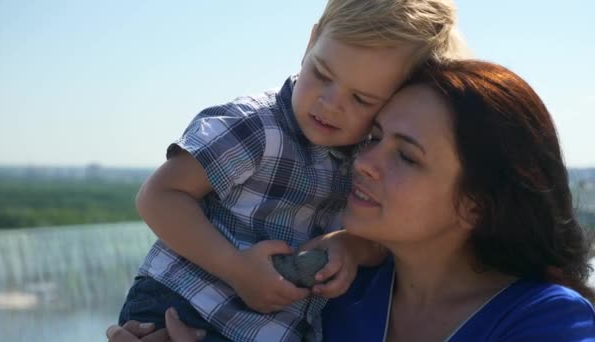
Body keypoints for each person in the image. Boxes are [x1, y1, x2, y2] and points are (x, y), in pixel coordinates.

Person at [109, 60, 595, 341]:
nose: (363, 162)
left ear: (476, 204)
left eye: (406, 155)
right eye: (374, 137)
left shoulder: (548, 321)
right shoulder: (335, 296)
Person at [118, 1, 467, 341]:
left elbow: (379, 244)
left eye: (361, 99)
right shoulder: (256, 127)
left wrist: (349, 246)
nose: (330, 104)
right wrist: (235, 268)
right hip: (186, 304)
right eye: (322, 74)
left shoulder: (372, 158)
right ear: (311, 41)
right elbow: (159, 196)